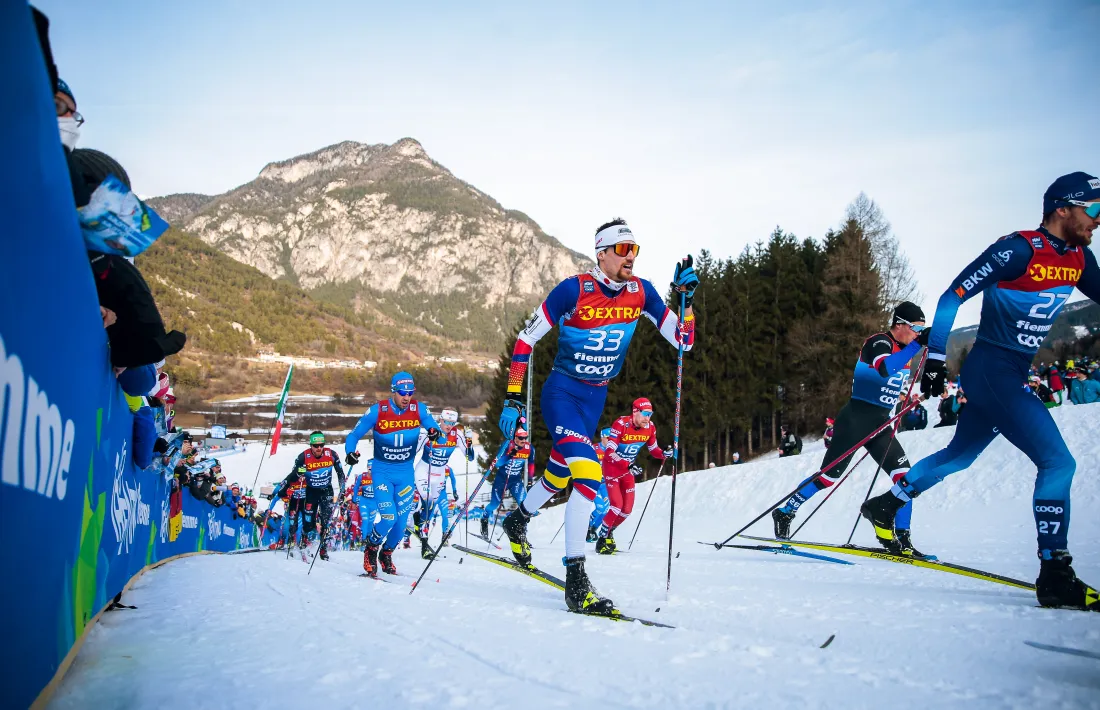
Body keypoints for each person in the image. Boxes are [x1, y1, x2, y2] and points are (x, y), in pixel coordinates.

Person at [860, 172, 1100, 611]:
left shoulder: (1082, 258)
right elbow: (953, 296)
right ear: (1063, 208)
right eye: (1094, 209)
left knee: (960, 455)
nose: (1098, 220)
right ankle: (1055, 572)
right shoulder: (1018, 249)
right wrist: (934, 357)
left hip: (1009, 373)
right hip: (991, 371)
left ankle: (886, 505)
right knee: (1058, 462)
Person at [496, 218, 698, 614]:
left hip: (594, 399)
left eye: (635, 250)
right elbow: (525, 340)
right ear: (601, 253)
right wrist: (513, 397)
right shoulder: (573, 290)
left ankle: (517, 520)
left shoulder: (642, 293)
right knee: (587, 475)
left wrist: (686, 303)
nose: (630, 257)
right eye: (622, 249)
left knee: (559, 473)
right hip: (562, 393)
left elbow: (683, 342)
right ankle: (576, 580)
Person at [772, 301, 930, 557]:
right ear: (899, 324)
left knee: (906, 478)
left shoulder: (906, 351)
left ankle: (903, 540)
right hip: (856, 418)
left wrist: (905, 397)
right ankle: (785, 510)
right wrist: (916, 345)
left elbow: (889, 385)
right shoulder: (879, 342)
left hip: (881, 423)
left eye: (921, 331)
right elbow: (883, 368)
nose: (918, 334)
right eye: (915, 329)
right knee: (828, 477)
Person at [344, 372, 442, 578]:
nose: (406, 397)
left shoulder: (418, 409)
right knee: (388, 518)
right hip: (382, 473)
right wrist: (350, 452)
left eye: (410, 393)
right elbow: (353, 435)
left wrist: (434, 431)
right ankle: (371, 548)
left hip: (405, 474)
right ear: (393, 391)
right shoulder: (378, 410)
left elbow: (433, 426)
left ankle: (386, 554)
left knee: (400, 525)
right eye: (402, 393)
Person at [595, 397, 670, 554]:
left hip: (627, 471)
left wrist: (664, 454)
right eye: (644, 414)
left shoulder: (650, 427)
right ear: (635, 411)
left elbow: (653, 449)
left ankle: (609, 532)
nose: (647, 418)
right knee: (616, 506)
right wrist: (627, 464)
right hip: (612, 470)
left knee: (626, 510)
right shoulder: (621, 424)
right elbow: (609, 452)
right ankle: (601, 539)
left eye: (650, 414)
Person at [412, 408, 474, 557]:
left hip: (439, 475)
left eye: (452, 423)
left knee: (429, 509)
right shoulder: (429, 431)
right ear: (440, 419)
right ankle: (425, 547)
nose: (448, 426)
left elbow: (469, 457)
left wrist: (469, 442)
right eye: (446, 422)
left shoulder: (456, 435)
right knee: (428, 503)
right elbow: (413, 451)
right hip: (424, 471)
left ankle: (418, 520)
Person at [288, 431, 346, 562]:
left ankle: (323, 547)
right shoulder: (303, 456)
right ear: (311, 445)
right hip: (311, 491)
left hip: (326, 491)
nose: (319, 448)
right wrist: (300, 472)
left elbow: (340, 472)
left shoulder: (331, 454)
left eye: (321, 445)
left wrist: (342, 489)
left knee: (326, 520)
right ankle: (304, 538)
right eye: (315, 446)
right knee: (309, 522)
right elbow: (294, 474)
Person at [481, 427, 536, 539]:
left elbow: (531, 464)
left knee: (524, 506)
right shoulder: (507, 445)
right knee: (494, 504)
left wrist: (530, 481)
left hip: (515, 481)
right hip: (502, 480)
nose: (523, 440)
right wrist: (509, 455)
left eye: (525, 438)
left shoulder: (529, 448)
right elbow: (497, 463)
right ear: (515, 438)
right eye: (520, 438)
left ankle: (522, 535)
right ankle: (484, 518)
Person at [587, 428, 615, 542]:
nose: (610, 440)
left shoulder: (614, 450)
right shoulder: (594, 449)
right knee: (600, 507)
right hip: (594, 483)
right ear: (602, 437)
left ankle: (593, 529)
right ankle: (586, 528)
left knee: (607, 509)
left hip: (606, 484)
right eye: (608, 438)